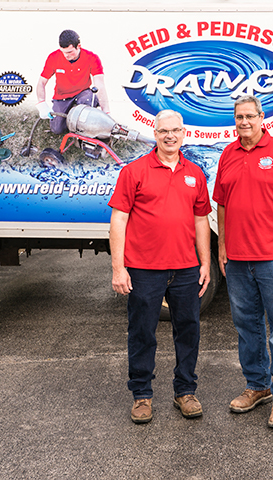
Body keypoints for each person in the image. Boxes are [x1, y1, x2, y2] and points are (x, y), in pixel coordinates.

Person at [212, 95, 273, 428]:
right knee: (247, 327)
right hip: (238, 259)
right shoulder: (227, 154)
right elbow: (221, 206)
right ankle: (257, 386)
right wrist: (223, 247)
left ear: (261, 117)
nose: (244, 122)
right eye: (239, 117)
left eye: (249, 116)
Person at [108, 109, 211, 424]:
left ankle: (185, 391)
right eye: (164, 131)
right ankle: (142, 395)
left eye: (175, 131)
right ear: (155, 134)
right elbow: (119, 220)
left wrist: (205, 261)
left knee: (188, 330)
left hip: (185, 270)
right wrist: (118, 268)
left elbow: (201, 220)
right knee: (142, 332)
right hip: (143, 269)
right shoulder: (134, 172)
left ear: (184, 134)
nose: (170, 136)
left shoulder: (195, 173)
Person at [36, 29, 110, 134]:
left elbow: (100, 85)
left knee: (88, 100)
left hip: (83, 93)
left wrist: (106, 111)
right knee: (57, 129)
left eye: (70, 52)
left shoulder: (92, 58)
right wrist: (41, 104)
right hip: (62, 97)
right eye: (63, 52)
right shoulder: (53, 57)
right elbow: (41, 82)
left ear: (78, 46)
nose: (66, 55)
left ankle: (85, 124)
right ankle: (70, 117)